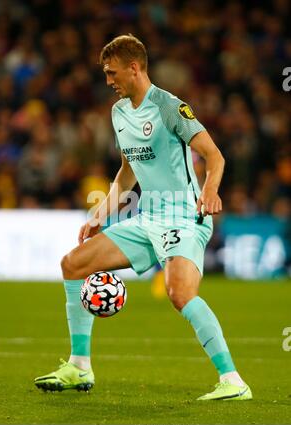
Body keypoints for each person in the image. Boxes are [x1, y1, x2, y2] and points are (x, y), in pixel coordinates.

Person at [35, 35, 252, 401]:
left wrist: (210, 191)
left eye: (112, 72)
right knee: (74, 264)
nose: (108, 81)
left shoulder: (169, 107)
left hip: (184, 216)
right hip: (147, 217)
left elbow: (215, 156)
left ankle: (233, 380)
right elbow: (127, 173)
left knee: (180, 293)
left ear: (134, 68)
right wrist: (100, 213)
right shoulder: (119, 113)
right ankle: (79, 366)